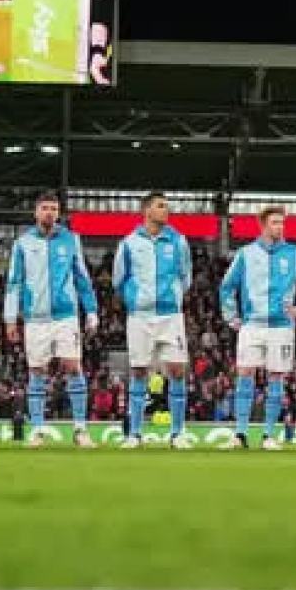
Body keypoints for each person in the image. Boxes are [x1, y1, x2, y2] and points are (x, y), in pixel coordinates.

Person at [219, 204, 296, 450]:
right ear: (263, 225)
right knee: (244, 374)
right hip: (252, 324)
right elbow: (227, 285)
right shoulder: (246, 253)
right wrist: (231, 316)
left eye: (282, 222)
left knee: (276, 378)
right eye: (275, 222)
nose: (280, 227)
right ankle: (240, 434)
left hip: (281, 326)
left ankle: (268, 435)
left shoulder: (294, 253)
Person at [4, 192, 99, 448]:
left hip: (65, 316)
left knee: (73, 366)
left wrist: (91, 311)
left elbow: (82, 278)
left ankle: (80, 430)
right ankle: (37, 430)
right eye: (44, 208)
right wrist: (10, 318)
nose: (49, 212)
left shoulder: (71, 240)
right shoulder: (23, 243)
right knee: (37, 372)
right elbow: (13, 283)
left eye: (54, 209)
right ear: (36, 212)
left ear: (58, 213)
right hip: (35, 318)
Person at [112, 192, 193, 449]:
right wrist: (135, 300)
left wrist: (174, 297)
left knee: (178, 371)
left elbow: (185, 275)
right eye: (160, 206)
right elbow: (119, 279)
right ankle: (135, 434)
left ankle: (177, 433)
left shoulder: (178, 241)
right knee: (138, 371)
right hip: (140, 316)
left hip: (170, 316)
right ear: (146, 210)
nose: (166, 210)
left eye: (166, 207)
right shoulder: (129, 243)